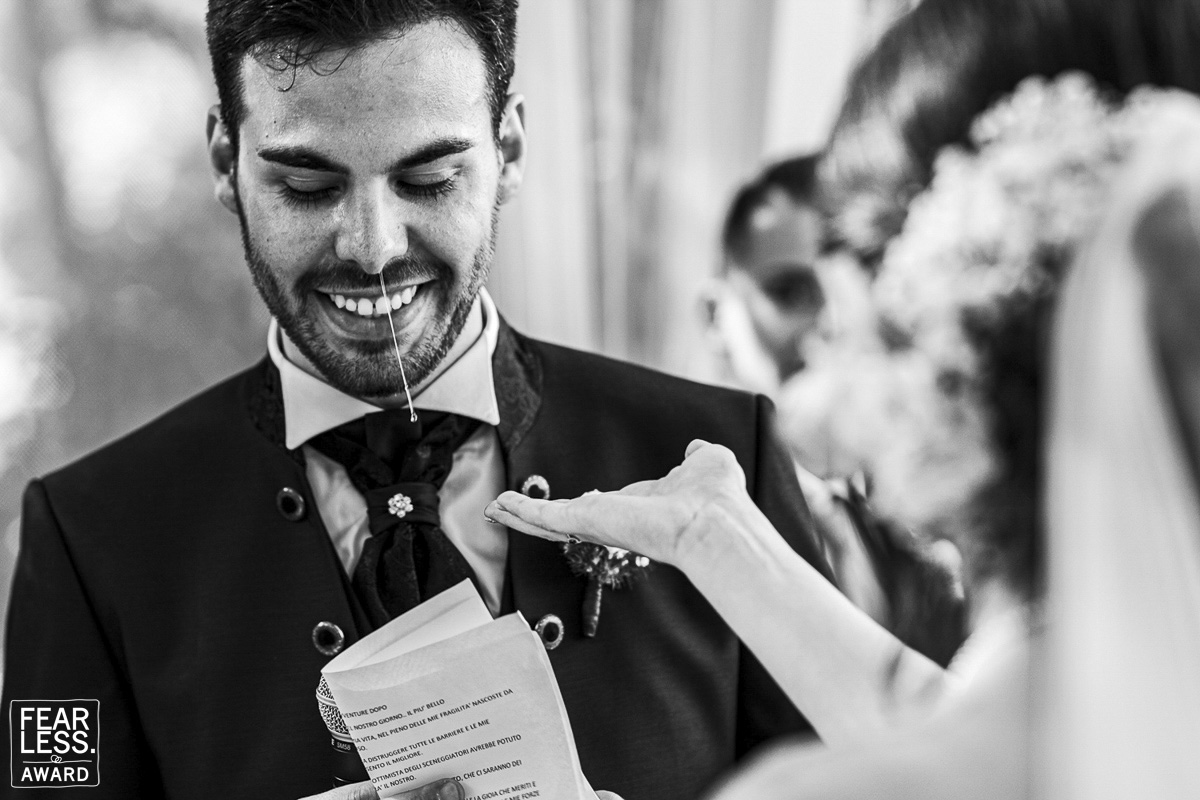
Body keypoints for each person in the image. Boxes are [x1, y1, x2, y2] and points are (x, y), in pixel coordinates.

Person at [0, 2, 834, 799]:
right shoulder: (87, 539)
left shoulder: (724, 458)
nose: (373, 247)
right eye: (306, 185)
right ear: (225, 161)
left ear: (509, 148)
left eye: (430, 178)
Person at [708, 155, 964, 665]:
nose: (828, 323)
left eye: (851, 284)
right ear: (715, 316)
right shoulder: (693, 507)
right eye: (790, 292)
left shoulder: (924, 495)